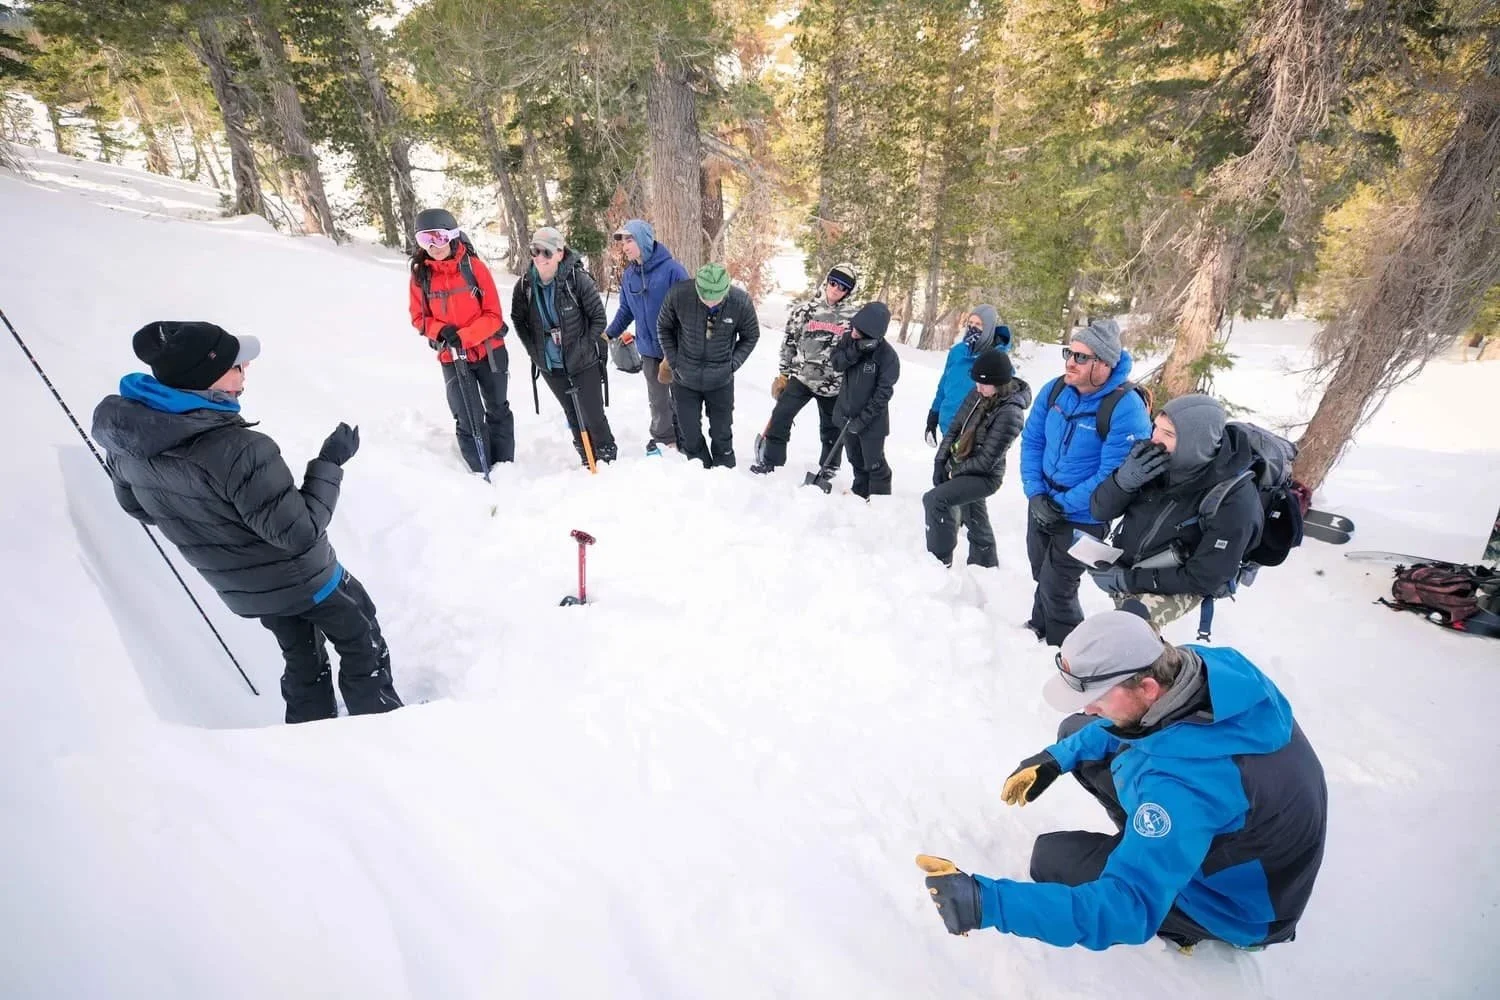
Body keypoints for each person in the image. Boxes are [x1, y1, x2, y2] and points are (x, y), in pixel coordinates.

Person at [918, 609, 1327, 952]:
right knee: (1074, 732)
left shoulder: (1184, 790)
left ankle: (1185, 921)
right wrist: (1056, 759)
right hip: (1236, 839)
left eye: (1096, 695)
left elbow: (1124, 909)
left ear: (1148, 688)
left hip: (1238, 907)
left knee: (1051, 859)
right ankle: (1146, 847)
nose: (1090, 708)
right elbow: (1121, 724)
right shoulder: (1200, 668)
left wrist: (985, 903)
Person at [92, 321, 403, 724]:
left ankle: (316, 740)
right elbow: (300, 532)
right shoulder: (240, 450)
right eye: (236, 366)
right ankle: (384, 729)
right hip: (306, 577)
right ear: (207, 380)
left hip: (246, 590)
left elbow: (138, 507)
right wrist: (330, 462)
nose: (245, 371)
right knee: (361, 638)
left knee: (302, 655)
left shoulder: (131, 441)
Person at [1019, 318, 1151, 646]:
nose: (1069, 362)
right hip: (1042, 500)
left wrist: (1059, 506)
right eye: (1069, 353)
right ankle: (1040, 625)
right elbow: (1032, 441)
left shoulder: (1125, 408)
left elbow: (1111, 476)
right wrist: (1035, 493)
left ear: (1104, 364)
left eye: (1080, 357)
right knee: (1041, 571)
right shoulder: (1055, 389)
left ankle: (1071, 650)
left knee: (1058, 585)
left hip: (1086, 515)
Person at [1086, 394, 1263, 627]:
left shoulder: (1235, 498)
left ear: (1196, 442)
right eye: (1155, 428)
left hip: (1182, 580)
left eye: (1168, 434)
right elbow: (1099, 511)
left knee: (1126, 632)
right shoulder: (1153, 460)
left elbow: (1205, 577)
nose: (1155, 439)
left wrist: (1127, 580)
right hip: (1133, 566)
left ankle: (1164, 663)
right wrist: (1123, 482)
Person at [407, 207, 514, 473]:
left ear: (452, 236)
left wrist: (463, 336)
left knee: (497, 408)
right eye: (426, 240)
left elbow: (493, 315)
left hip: (489, 351)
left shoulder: (474, 268)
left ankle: (505, 468)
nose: (434, 246)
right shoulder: (421, 275)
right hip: (451, 357)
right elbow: (419, 317)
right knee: (467, 416)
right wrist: (440, 331)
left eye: (440, 238)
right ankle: (480, 470)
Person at [510, 226, 616, 466]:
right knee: (571, 412)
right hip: (549, 364)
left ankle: (607, 456)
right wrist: (534, 351)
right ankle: (586, 456)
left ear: (559, 253)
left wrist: (582, 348)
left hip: (583, 360)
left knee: (592, 412)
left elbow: (598, 319)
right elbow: (518, 319)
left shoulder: (577, 280)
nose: (539, 258)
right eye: (534, 251)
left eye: (546, 252)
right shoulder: (525, 285)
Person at [749, 262, 862, 478]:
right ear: (827, 281)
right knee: (781, 415)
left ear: (849, 291)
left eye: (843, 287)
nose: (836, 289)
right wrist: (784, 374)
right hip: (802, 377)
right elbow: (789, 343)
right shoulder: (804, 311)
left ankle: (828, 467)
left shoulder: (854, 318)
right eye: (833, 283)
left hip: (835, 384)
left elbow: (859, 351)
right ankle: (771, 461)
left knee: (831, 427)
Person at [923, 349, 1032, 568]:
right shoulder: (978, 394)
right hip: (962, 464)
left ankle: (939, 562)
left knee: (935, 500)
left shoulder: (1011, 413)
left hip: (984, 476)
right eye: (977, 383)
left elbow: (987, 460)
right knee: (974, 516)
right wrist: (940, 460)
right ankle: (986, 563)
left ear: (999, 384)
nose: (978, 388)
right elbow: (955, 428)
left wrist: (953, 472)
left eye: (984, 384)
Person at [656, 263, 760, 469]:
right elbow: (663, 326)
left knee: (722, 434)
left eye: (717, 297)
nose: (711, 302)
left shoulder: (740, 302)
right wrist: (675, 361)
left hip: (720, 380)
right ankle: (700, 470)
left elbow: (751, 335)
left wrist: (732, 364)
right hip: (685, 379)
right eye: (706, 297)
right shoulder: (679, 295)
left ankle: (725, 473)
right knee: (689, 434)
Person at [603, 219, 691, 452]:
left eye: (629, 240)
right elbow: (626, 310)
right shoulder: (630, 274)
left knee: (682, 396)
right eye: (623, 241)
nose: (625, 246)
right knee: (657, 398)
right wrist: (609, 334)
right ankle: (664, 439)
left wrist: (681, 345)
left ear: (643, 240)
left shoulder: (673, 270)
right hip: (648, 349)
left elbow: (690, 310)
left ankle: (688, 439)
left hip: (676, 349)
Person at [830, 302, 900, 498]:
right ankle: (860, 490)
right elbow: (836, 363)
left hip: (872, 422)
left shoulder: (888, 357)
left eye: (859, 332)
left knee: (873, 461)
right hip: (846, 413)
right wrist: (856, 350)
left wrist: (862, 421)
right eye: (854, 328)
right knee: (854, 458)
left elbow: (883, 394)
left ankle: (880, 497)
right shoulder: (848, 340)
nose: (853, 333)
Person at [925, 304, 1011, 445]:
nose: (973, 328)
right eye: (970, 323)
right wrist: (933, 416)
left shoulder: (997, 359)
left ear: (989, 328)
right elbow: (943, 386)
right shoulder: (957, 351)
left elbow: (1004, 399)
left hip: (974, 434)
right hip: (947, 426)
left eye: (978, 324)